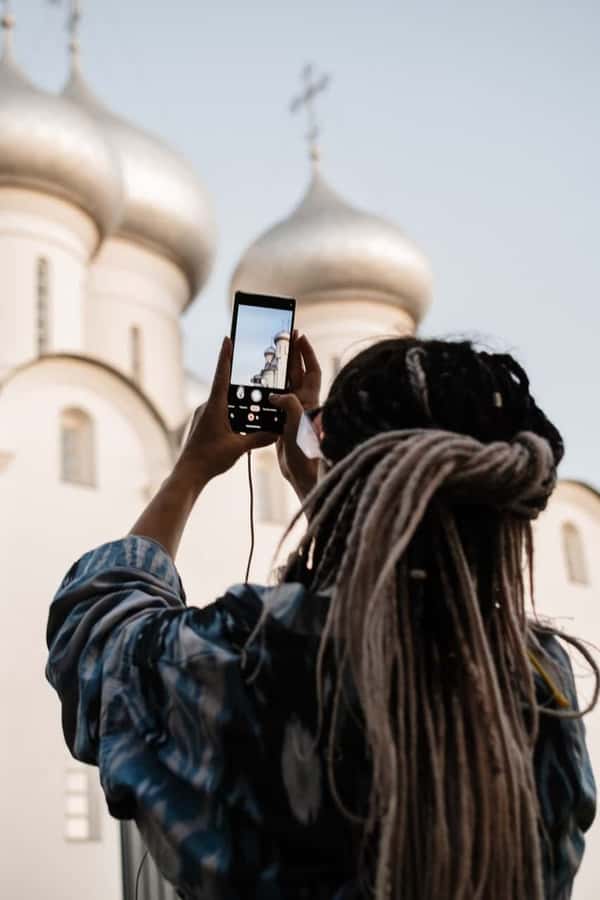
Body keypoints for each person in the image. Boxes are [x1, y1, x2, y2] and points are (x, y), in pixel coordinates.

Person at [46, 332, 597, 900]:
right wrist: (331, 499)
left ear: (351, 470)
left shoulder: (273, 651)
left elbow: (99, 633)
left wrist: (191, 469)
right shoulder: (543, 690)